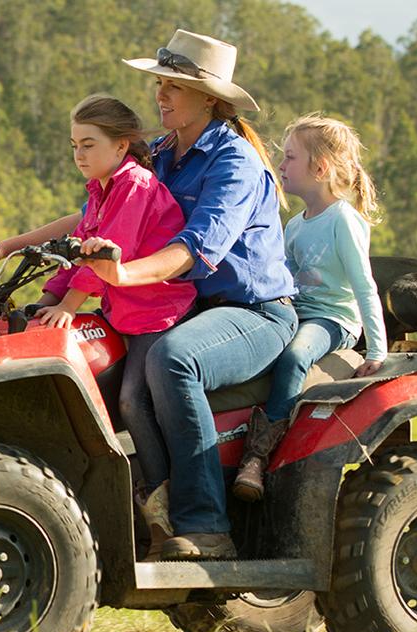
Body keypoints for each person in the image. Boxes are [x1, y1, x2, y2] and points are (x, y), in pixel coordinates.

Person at [77, 30, 296, 560]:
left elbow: (196, 250)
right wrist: (17, 244)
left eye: (175, 85)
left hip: (254, 313)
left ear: (210, 97)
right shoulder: (162, 154)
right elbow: (103, 211)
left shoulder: (235, 161)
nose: (161, 94)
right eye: (160, 83)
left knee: (175, 361)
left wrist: (123, 276)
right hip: (188, 308)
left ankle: (204, 525)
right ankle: (140, 509)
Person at [33, 95, 194, 502]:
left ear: (121, 145)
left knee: (131, 401)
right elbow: (76, 253)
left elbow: (106, 258)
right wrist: (46, 301)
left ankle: (160, 497)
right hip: (124, 313)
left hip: (157, 315)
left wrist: (68, 307)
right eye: (74, 146)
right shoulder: (101, 188)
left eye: (89, 144)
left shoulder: (135, 185)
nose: (79, 155)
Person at [231, 115, 388, 503]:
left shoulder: (343, 220)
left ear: (319, 168)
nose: (281, 166)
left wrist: (377, 350)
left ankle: (259, 457)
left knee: (296, 355)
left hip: (332, 319)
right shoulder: (294, 225)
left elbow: (364, 285)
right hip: (297, 311)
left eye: (289, 158)